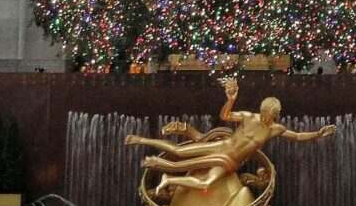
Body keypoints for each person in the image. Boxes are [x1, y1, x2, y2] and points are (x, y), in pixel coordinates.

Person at [126, 76, 336, 197]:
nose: (265, 118)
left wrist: (318, 134)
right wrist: (231, 99)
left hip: (230, 162)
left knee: (205, 184)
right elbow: (225, 115)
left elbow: (297, 136)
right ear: (261, 110)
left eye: (269, 115)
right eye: (264, 113)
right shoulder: (247, 117)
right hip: (222, 147)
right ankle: (140, 140)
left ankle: (169, 178)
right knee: (179, 151)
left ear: (275, 114)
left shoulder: (276, 129)